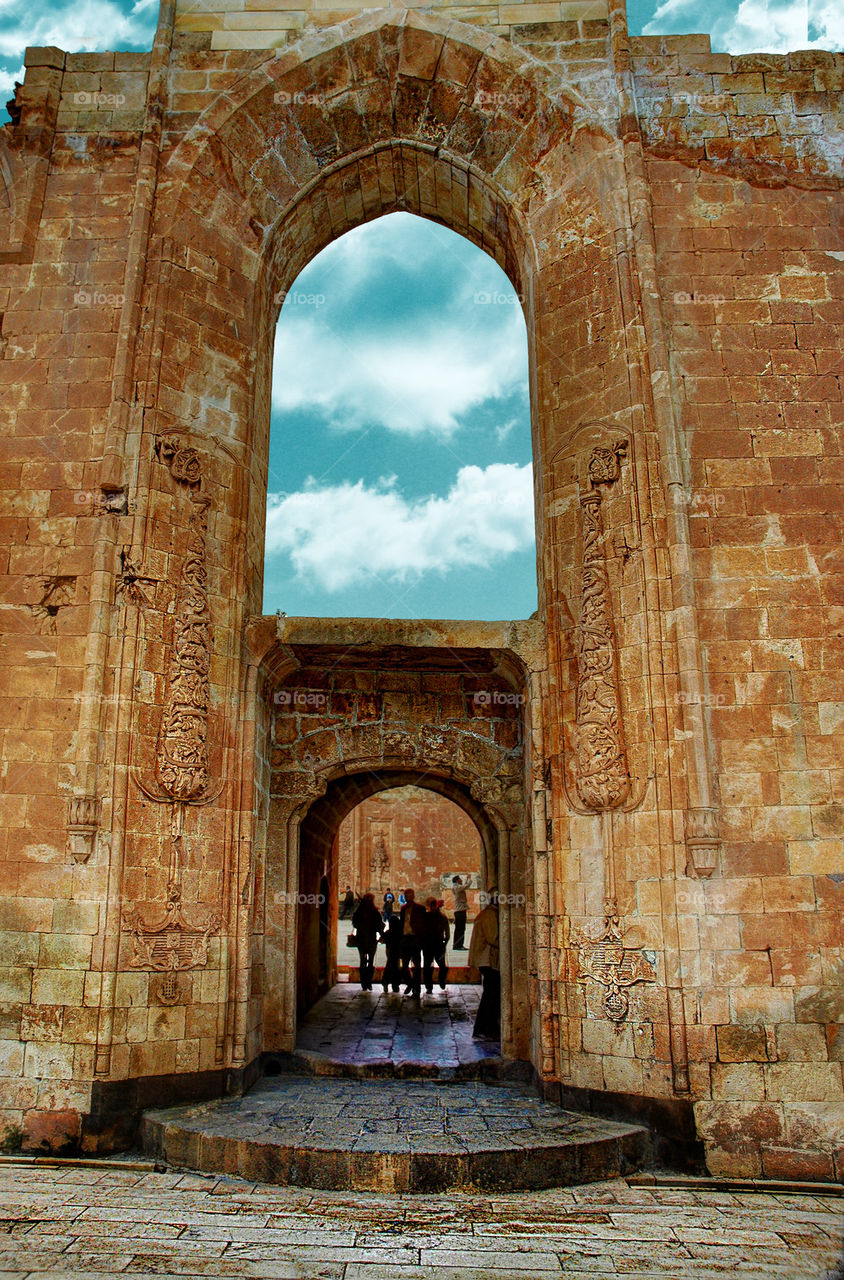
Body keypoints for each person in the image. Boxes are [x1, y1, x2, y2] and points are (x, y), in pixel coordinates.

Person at [468, 888, 500, 1039]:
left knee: (491, 995)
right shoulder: (490, 915)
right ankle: (483, 1029)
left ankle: (488, 1028)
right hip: (487, 960)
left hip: (487, 960)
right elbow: (493, 938)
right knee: (490, 996)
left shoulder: (490, 913)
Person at [351, 892, 383, 992]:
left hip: (361, 939)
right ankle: (368, 982)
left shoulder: (359, 911)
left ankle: (364, 983)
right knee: (370, 961)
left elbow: (355, 923)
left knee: (362, 960)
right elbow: (379, 925)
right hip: (371, 939)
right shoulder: (374, 911)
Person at [398, 887, 426, 997]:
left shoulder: (420, 908)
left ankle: (416, 989)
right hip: (405, 939)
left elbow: (423, 924)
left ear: (413, 896)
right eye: (406, 896)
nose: (407, 897)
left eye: (409, 895)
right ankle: (410, 983)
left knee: (417, 965)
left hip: (415, 939)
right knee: (404, 966)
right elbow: (401, 923)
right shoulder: (403, 908)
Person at [422, 897, 450, 993]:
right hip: (438, 944)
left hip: (428, 944)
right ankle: (441, 980)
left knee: (427, 966)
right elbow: (448, 933)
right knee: (441, 965)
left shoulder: (425, 917)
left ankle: (429, 986)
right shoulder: (442, 917)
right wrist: (445, 943)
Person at [381, 914, 403, 993]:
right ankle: (395, 985)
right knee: (396, 968)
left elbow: (382, 938)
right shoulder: (400, 933)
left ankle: (386, 982)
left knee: (389, 967)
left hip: (390, 953)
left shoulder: (388, 933)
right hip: (397, 953)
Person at [451, 875, 468, 949]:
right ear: (457, 880)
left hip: (460, 911)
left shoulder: (457, 887)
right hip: (460, 911)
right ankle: (458, 945)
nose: (461, 880)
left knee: (459, 929)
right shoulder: (456, 887)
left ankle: (457, 945)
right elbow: (466, 886)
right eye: (460, 879)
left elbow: (464, 886)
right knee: (460, 929)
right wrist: (469, 879)